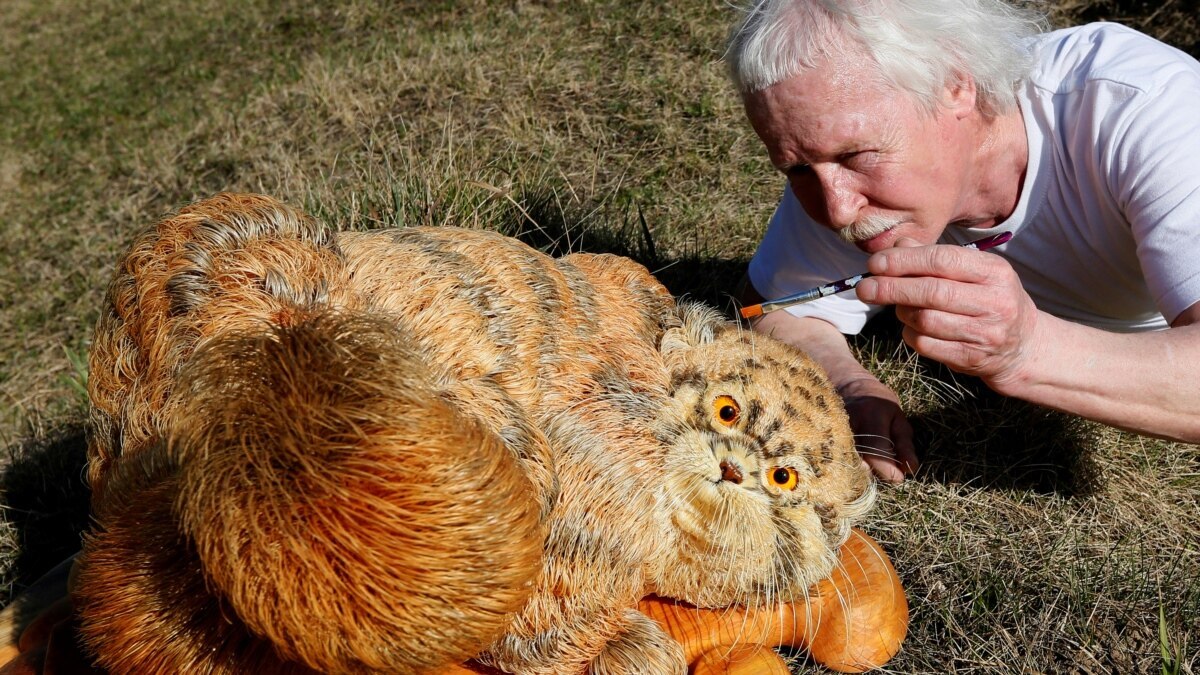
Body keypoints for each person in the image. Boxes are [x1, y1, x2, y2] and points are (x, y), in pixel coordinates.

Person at [725, 0, 1200, 483]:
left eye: (856, 155)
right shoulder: (832, 139)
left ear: (955, 85)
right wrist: (848, 384)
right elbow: (776, 307)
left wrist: (1028, 350)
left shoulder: (1144, 109)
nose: (838, 210)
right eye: (798, 169)